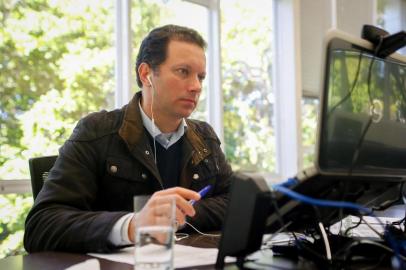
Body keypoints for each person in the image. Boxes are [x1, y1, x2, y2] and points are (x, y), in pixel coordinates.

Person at [24, 24, 233, 253]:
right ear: (146, 74)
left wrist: (176, 214)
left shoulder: (205, 137)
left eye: (200, 77)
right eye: (183, 72)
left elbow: (234, 202)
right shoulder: (96, 131)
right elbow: (41, 225)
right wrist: (134, 225)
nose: (196, 87)